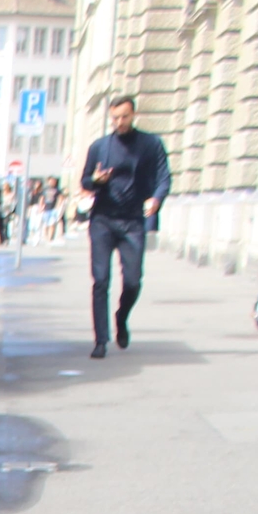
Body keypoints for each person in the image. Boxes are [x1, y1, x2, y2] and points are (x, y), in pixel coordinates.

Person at [79, 97, 172, 357]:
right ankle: (101, 340)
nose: (119, 122)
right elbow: (86, 180)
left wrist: (156, 199)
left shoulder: (150, 144)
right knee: (100, 280)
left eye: (124, 117)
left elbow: (164, 177)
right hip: (103, 220)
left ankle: (121, 316)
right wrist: (96, 180)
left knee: (132, 281)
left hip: (133, 221)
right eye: (115, 118)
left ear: (133, 115)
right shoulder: (100, 147)